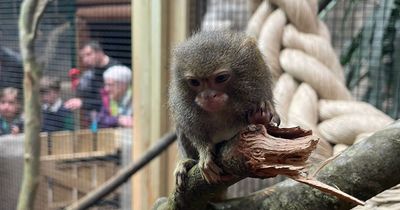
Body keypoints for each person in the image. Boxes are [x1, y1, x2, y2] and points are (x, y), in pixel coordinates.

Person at [64, 41, 121, 127]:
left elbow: (110, 102)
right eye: (83, 56)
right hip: (99, 119)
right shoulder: (92, 72)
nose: (85, 59)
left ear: (99, 52)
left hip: (116, 118)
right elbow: (90, 95)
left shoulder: (116, 69)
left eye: (88, 54)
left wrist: (83, 103)